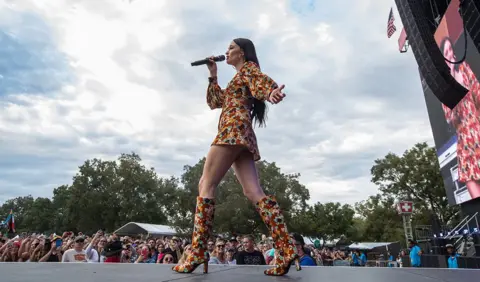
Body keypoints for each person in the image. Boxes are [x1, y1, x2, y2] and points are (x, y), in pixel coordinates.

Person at [172, 38, 300, 276]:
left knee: (205, 184)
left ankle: (198, 251)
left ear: (243, 52)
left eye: (231, 47)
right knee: (253, 192)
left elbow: (260, 82)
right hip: (244, 134)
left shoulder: (249, 70)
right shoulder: (237, 79)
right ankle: (285, 247)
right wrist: (213, 75)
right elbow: (214, 102)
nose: (226, 51)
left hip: (232, 130)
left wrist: (271, 92)